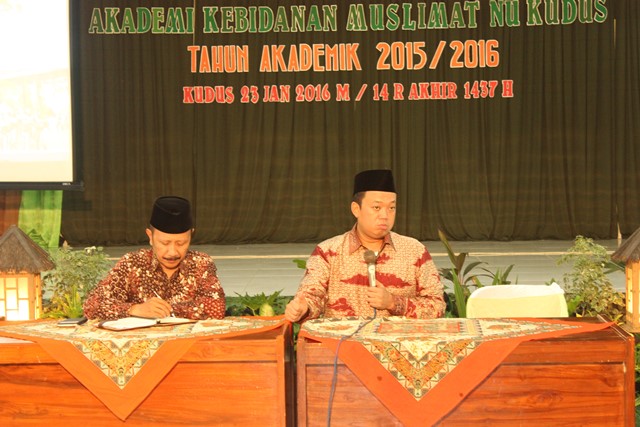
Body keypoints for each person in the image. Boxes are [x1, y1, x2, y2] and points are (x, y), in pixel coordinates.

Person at [285, 169, 446, 322]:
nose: (384, 215)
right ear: (356, 209)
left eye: (391, 208)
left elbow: (437, 306)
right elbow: (312, 297)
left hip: (397, 340)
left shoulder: (414, 251)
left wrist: (393, 303)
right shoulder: (328, 252)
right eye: (376, 207)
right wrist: (302, 308)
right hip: (343, 340)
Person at [83, 196, 226, 320]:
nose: (172, 252)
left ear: (191, 235)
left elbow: (216, 307)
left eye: (181, 243)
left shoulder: (201, 263)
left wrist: (163, 310)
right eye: (164, 243)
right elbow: (92, 305)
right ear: (150, 237)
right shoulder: (132, 264)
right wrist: (135, 309)